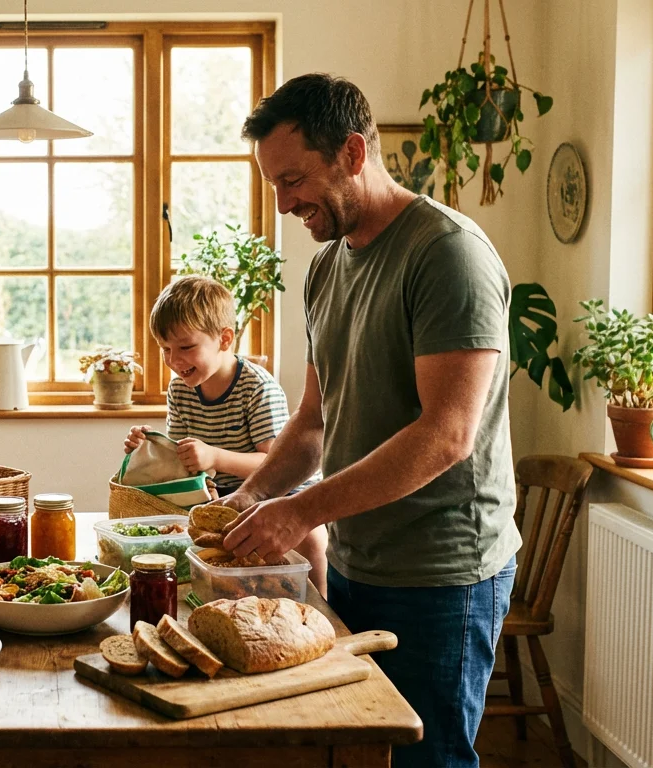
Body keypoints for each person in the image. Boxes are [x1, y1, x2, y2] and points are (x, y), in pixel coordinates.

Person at [220, 73, 519, 768]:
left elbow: (446, 435)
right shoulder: (326, 270)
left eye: (294, 179)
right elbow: (314, 422)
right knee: (357, 751)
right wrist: (255, 494)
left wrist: (301, 514)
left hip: (443, 576)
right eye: (273, 184)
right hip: (358, 562)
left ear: (353, 153)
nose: (284, 202)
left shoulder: (447, 254)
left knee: (428, 760)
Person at [124, 276, 327, 594]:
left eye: (186, 347)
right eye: (165, 349)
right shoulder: (180, 389)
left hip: (277, 497)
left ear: (224, 339)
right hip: (225, 501)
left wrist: (215, 456)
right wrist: (150, 445)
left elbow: (275, 463)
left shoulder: (257, 387)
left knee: (312, 539)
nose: (174, 360)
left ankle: (320, 607)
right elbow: (183, 459)